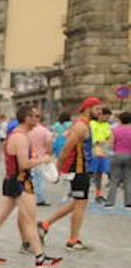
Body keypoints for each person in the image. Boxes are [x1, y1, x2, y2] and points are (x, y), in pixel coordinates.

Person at [0, 105, 62, 268]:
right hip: (20, 182)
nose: (39, 119)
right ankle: (40, 257)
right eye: (36, 116)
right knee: (30, 220)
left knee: (0, 217)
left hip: (13, 180)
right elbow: (24, 164)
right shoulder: (20, 137)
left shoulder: (18, 135)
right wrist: (43, 160)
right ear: (27, 118)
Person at [40, 97, 98, 251]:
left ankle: (45, 224)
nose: (100, 112)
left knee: (78, 202)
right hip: (78, 169)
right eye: (97, 109)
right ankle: (73, 240)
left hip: (83, 168)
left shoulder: (84, 124)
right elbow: (66, 149)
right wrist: (57, 170)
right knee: (80, 204)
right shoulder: (80, 126)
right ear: (88, 109)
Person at [105, 111, 131, 208]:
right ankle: (129, 202)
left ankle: (110, 202)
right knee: (128, 179)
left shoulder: (115, 130)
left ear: (120, 120)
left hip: (117, 155)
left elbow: (110, 145)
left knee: (114, 180)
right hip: (129, 155)